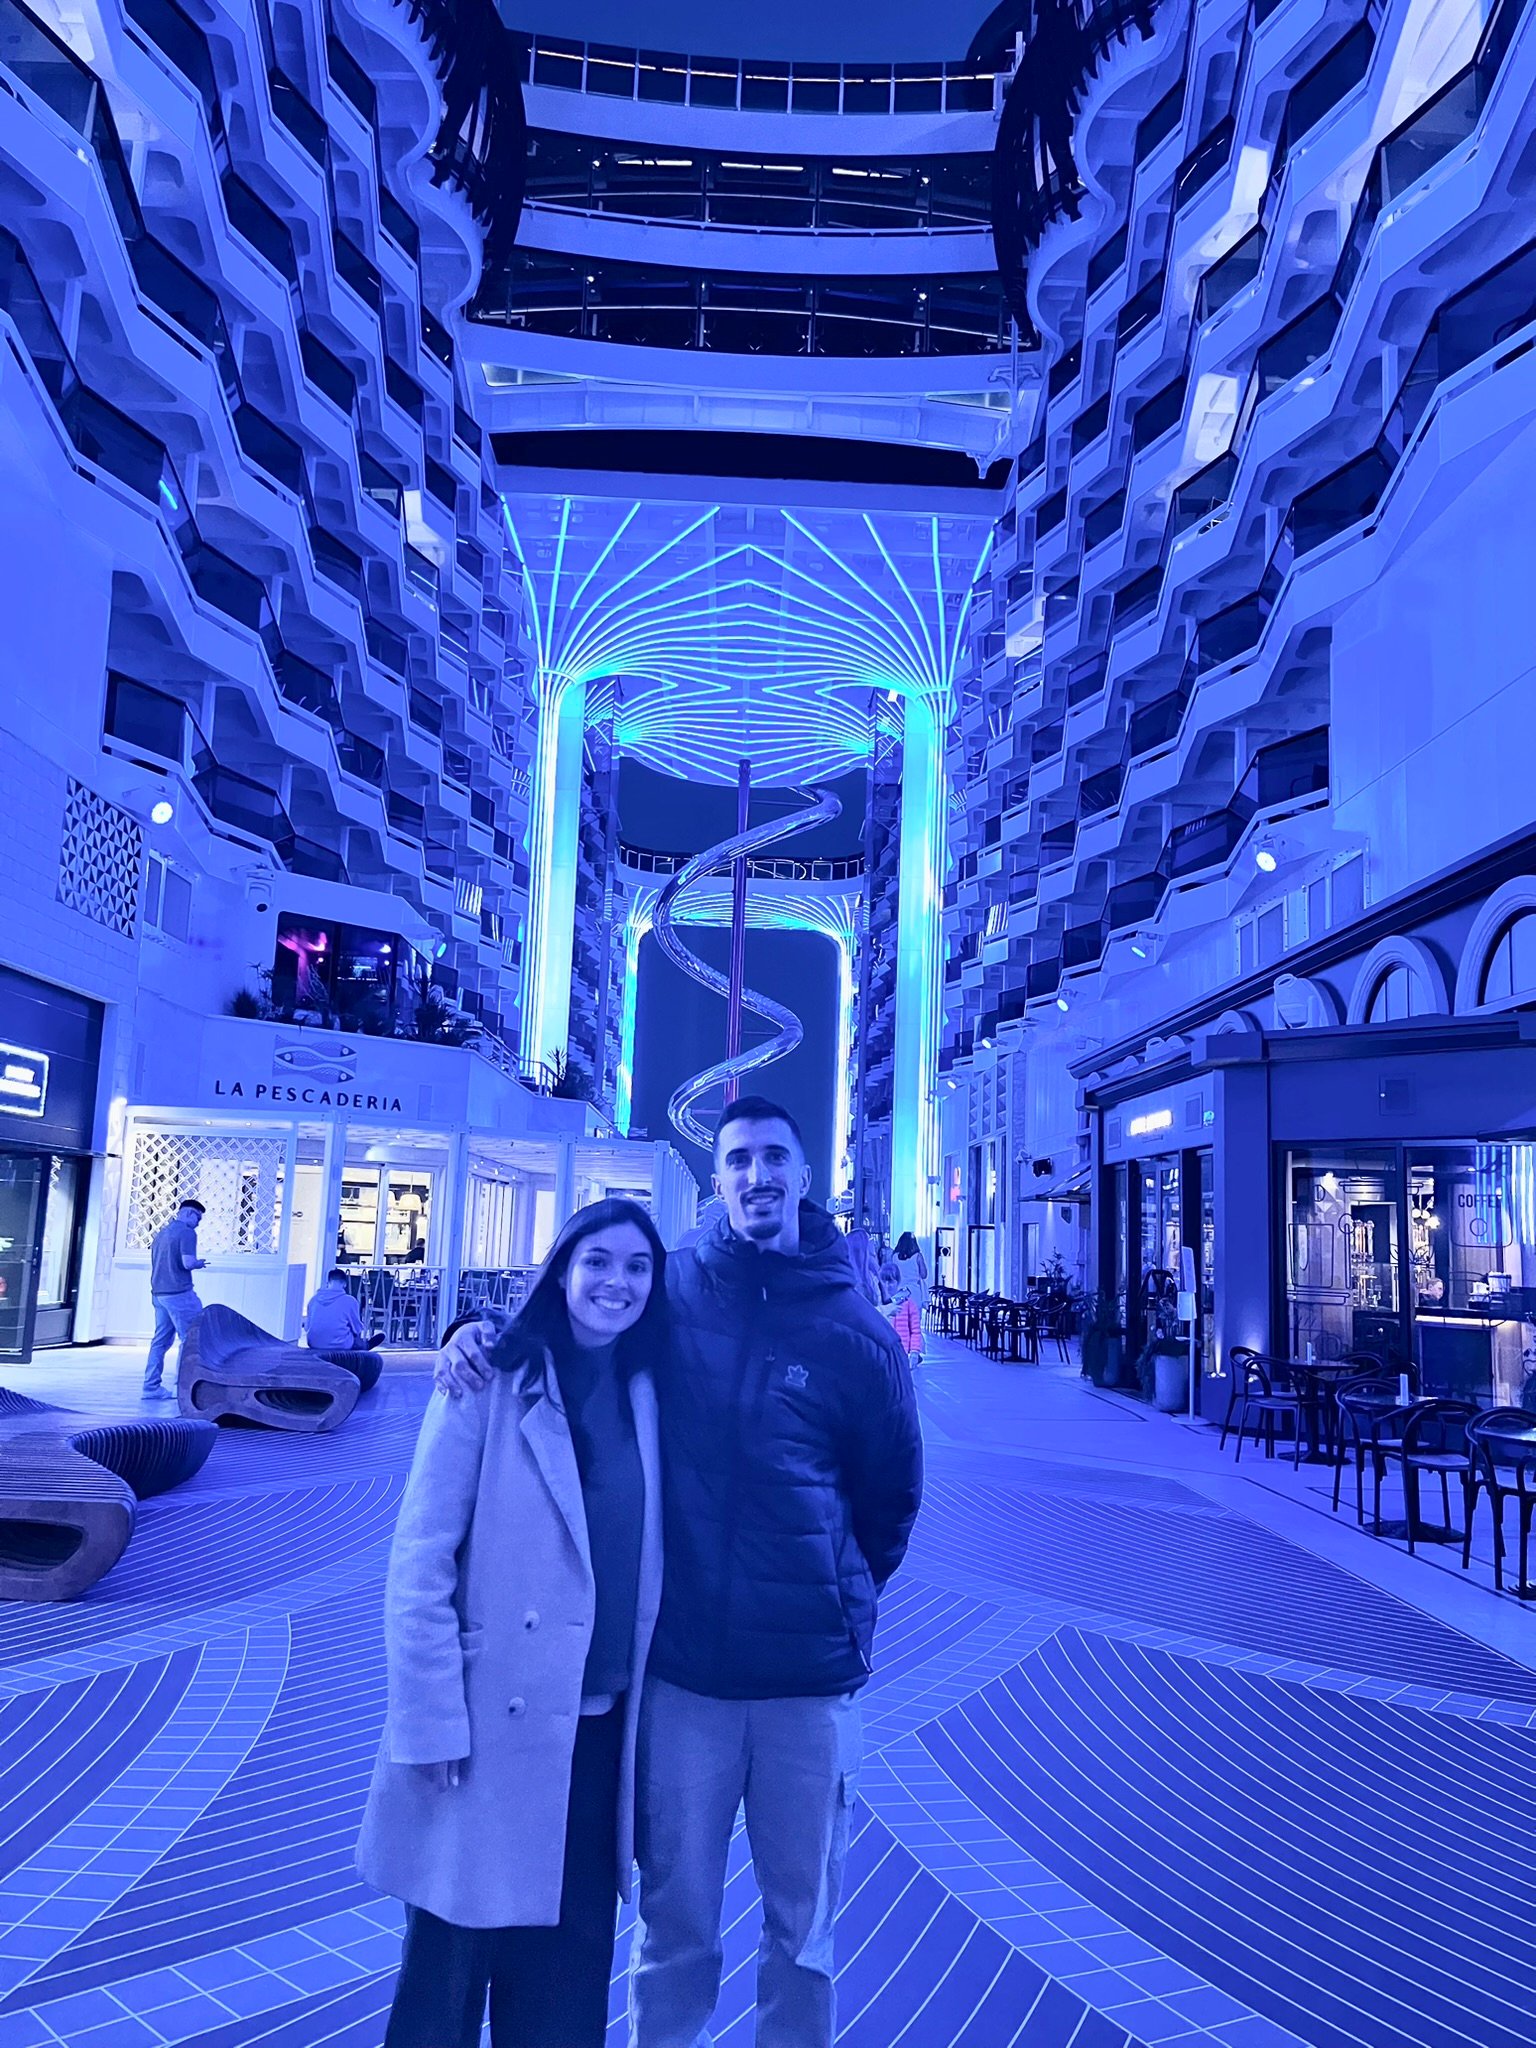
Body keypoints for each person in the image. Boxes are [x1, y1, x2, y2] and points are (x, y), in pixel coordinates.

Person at [438, 1095, 923, 2048]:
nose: (757, 1176)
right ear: (717, 1177)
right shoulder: (678, 1293)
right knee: (675, 1926)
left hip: (807, 1690)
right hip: (685, 1680)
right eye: (737, 1159)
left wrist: (831, 1593)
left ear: (805, 1175)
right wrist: (479, 1332)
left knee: (803, 1935)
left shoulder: (858, 1334)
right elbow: (583, 1321)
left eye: (774, 1157)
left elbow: (890, 1503)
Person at [358, 1197, 667, 2048]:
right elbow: (420, 1561)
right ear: (561, 1270)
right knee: (445, 1982)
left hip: (598, 1736)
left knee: (566, 1984)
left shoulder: (651, 1392)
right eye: (597, 1261)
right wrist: (428, 1720)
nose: (616, 1282)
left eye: (637, 1266)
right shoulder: (491, 1378)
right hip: (484, 1729)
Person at [142, 1198, 207, 1399]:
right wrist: (198, 1263)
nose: (198, 1223)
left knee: (160, 1341)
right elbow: (187, 1263)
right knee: (191, 1339)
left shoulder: (162, 1233)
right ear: (188, 1213)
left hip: (159, 1294)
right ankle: (183, 1388)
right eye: (198, 1218)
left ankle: (150, 1387)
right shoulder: (187, 1232)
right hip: (179, 1294)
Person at [893, 1230, 929, 1308]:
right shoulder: (917, 1256)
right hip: (914, 1291)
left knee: (900, 1313)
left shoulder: (895, 1257)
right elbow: (924, 1275)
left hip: (899, 1291)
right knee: (914, 1314)